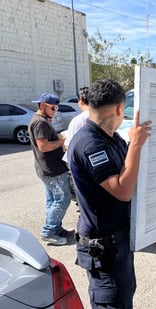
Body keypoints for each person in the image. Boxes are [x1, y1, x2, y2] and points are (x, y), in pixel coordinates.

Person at [67, 79, 152, 308]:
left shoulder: (112, 139)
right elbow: (123, 191)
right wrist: (135, 145)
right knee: (112, 300)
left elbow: (133, 175)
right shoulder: (90, 144)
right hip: (103, 250)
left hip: (118, 243)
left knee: (125, 296)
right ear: (118, 109)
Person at [29, 93, 72, 246]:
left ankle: (56, 228)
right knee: (63, 199)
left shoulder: (41, 121)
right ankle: (48, 231)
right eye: (53, 108)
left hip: (46, 168)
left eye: (56, 108)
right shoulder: (40, 123)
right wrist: (62, 141)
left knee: (52, 201)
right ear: (42, 106)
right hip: (52, 169)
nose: (55, 111)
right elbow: (44, 146)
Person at [62, 86, 89, 162]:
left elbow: (69, 145)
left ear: (80, 100)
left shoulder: (78, 121)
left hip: (82, 162)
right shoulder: (103, 117)